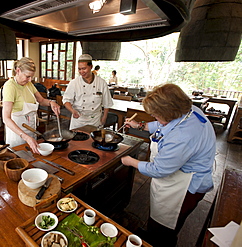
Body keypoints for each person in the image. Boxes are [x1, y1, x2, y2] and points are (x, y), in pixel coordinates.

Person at [121, 83, 216, 247]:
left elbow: (158, 169)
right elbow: (165, 123)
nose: (155, 118)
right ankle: (151, 235)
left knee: (167, 227)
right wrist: (141, 126)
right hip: (178, 178)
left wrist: (130, 161)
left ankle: (159, 241)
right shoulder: (187, 111)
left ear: (168, 112)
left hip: (186, 186)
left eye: (156, 115)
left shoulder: (182, 136)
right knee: (158, 219)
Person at [2, 57, 60, 152]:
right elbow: (6, 118)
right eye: (27, 76)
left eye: (31, 77)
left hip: (31, 130)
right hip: (17, 134)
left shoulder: (28, 84)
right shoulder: (10, 87)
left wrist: (51, 102)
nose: (29, 80)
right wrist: (26, 137)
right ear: (18, 71)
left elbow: (41, 100)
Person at [62, 54, 113, 130]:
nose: (81, 71)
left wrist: (104, 118)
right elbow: (66, 100)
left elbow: (107, 104)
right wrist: (72, 111)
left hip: (95, 120)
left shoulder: (101, 83)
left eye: (84, 68)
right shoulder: (74, 83)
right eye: (79, 69)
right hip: (78, 120)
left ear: (91, 67)